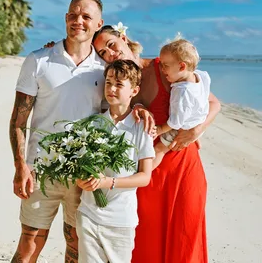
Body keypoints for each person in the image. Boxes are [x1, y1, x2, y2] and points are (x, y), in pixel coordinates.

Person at [92, 24, 221, 263]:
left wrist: (196, 131)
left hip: (183, 164)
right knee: (148, 241)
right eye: (102, 53)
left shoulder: (165, 65)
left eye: (111, 45)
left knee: (185, 235)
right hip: (148, 171)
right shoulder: (115, 82)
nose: (110, 54)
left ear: (123, 38)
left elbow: (214, 104)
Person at [9, 0, 105, 263]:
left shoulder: (106, 69)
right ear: (65, 18)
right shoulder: (39, 60)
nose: (79, 20)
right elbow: (18, 121)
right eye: (73, 14)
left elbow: (130, 97)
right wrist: (21, 167)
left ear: (99, 24)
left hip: (85, 176)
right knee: (29, 245)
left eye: (86, 16)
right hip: (40, 171)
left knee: (76, 249)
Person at [76, 59, 155, 263]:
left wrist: (107, 183)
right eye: (108, 82)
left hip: (121, 219)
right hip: (88, 213)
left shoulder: (141, 127)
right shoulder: (93, 123)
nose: (111, 88)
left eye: (119, 84)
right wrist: (81, 180)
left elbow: (144, 177)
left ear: (134, 91)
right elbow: (80, 165)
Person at [152, 37, 211, 170]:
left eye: (165, 65)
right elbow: (206, 87)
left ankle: (145, 172)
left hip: (184, 127)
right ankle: (196, 142)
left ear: (182, 66)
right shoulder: (200, 76)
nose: (162, 69)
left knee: (158, 150)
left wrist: (161, 129)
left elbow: (176, 122)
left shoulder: (182, 92)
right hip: (198, 120)